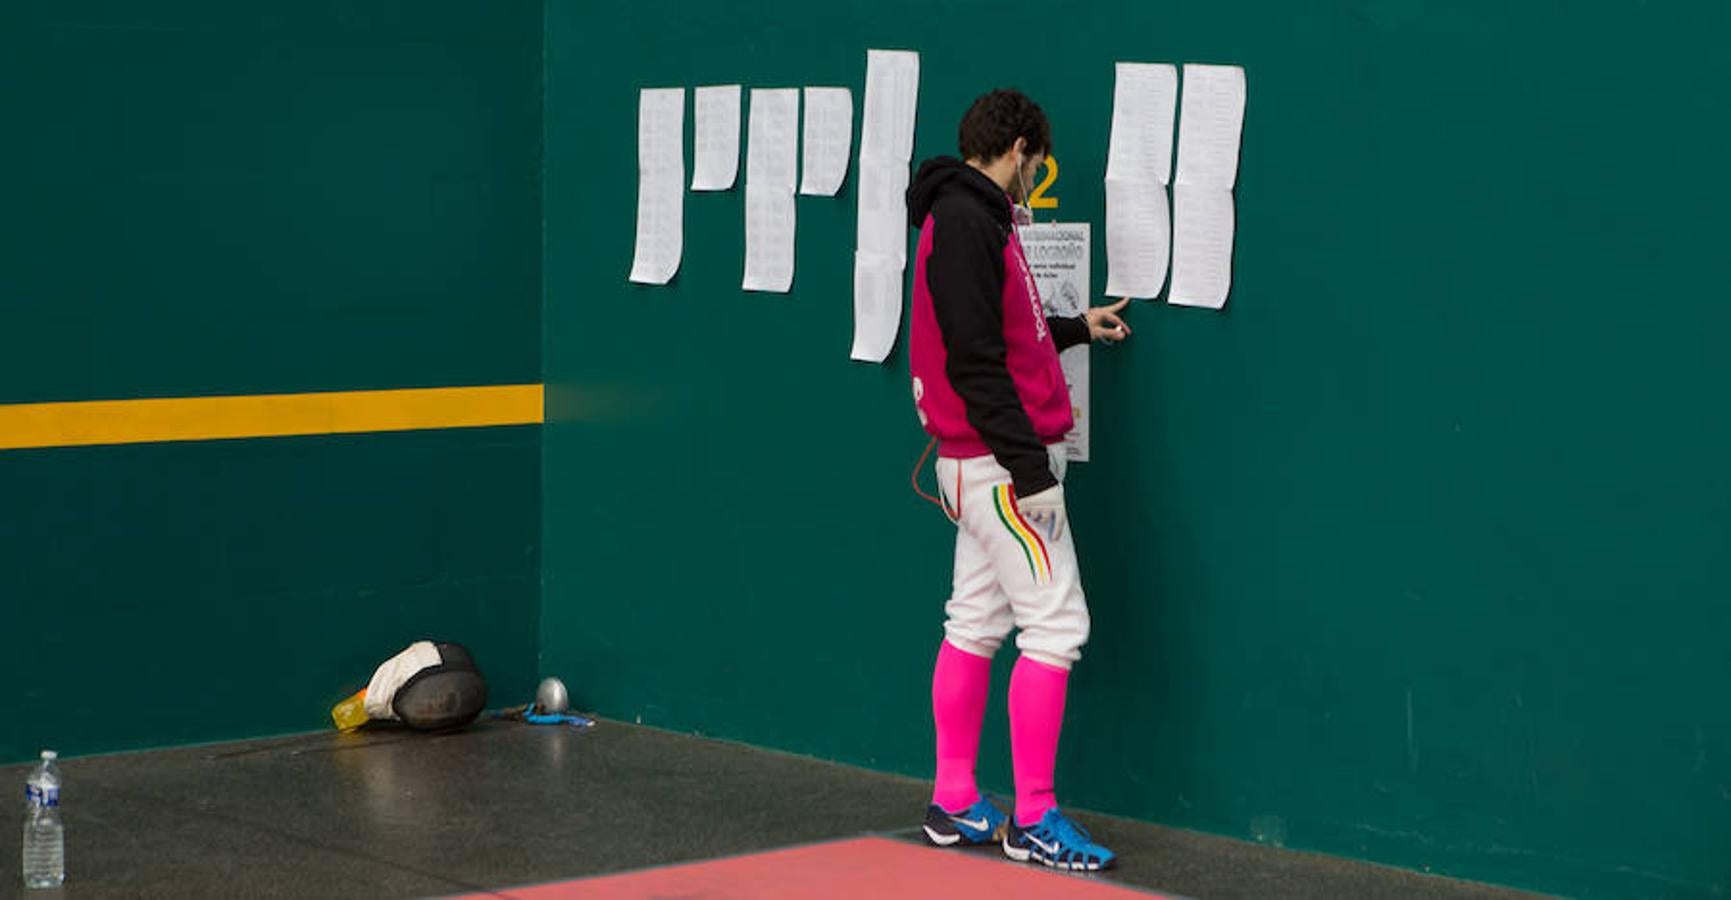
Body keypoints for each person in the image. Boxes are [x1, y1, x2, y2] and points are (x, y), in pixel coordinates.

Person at [905, 88, 1131, 872]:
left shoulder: (969, 215)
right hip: (1002, 470)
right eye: (1038, 160)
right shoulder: (970, 220)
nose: (1038, 173)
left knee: (972, 621)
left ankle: (954, 800)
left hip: (978, 464)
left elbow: (1003, 332)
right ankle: (1033, 817)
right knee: (1057, 627)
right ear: (1022, 147)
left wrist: (1075, 326)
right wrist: (1031, 474)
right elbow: (974, 360)